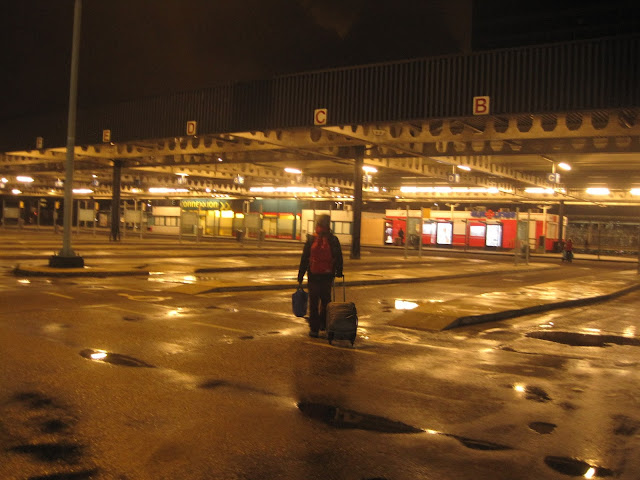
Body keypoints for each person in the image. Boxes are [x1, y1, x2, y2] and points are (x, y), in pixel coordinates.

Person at [297, 214, 344, 337]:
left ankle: (314, 329)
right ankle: (325, 325)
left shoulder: (311, 239)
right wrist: (339, 271)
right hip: (327, 275)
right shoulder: (333, 239)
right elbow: (338, 256)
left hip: (313, 275)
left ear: (317, 224)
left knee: (313, 303)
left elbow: (305, 258)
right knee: (326, 301)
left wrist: (300, 275)